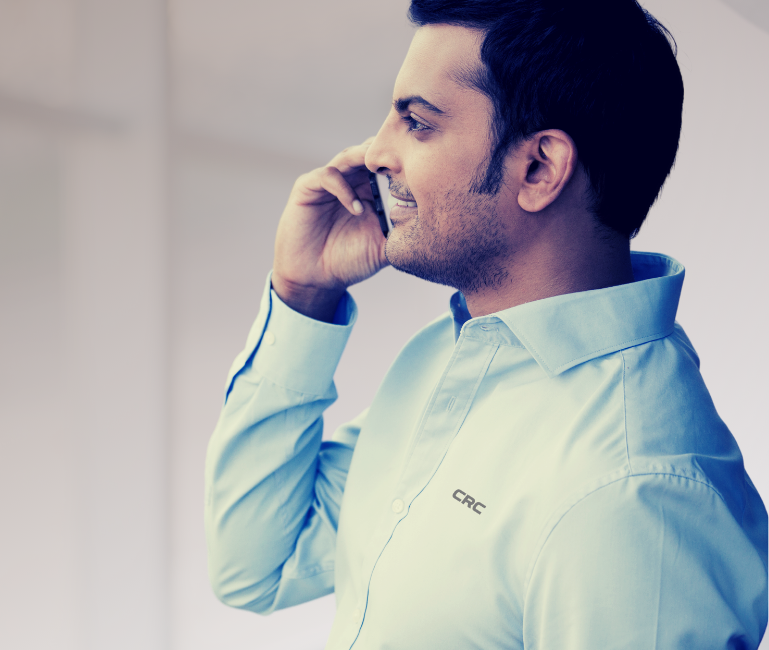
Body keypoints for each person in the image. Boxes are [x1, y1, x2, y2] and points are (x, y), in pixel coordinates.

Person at [202, 0, 769, 647]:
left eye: (416, 123)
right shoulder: (451, 356)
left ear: (539, 169)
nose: (374, 152)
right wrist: (302, 295)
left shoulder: (634, 491)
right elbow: (257, 566)